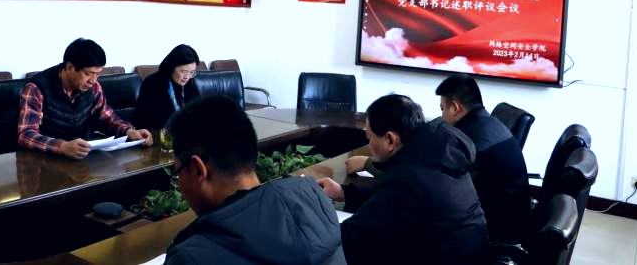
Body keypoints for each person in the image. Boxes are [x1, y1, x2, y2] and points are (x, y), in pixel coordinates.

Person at [164, 96, 346, 265]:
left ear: (198, 169)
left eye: (178, 172)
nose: (179, 182)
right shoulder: (315, 203)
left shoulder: (191, 258)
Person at [317, 94, 487, 265]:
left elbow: (353, 237)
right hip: (468, 255)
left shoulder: (409, 177)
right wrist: (344, 193)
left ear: (390, 139)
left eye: (370, 137)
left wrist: (310, 217)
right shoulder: (438, 154)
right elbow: (389, 199)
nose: (369, 145)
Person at [17, 38, 152, 159]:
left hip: (82, 154)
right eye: (89, 74)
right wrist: (62, 147)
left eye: (98, 74)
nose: (93, 80)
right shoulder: (36, 88)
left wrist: (129, 132)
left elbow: (107, 118)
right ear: (70, 67)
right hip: (46, 159)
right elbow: (26, 134)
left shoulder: (93, 87)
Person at [436, 74, 530, 243]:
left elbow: (443, 190)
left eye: (443, 109)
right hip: (514, 218)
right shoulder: (491, 124)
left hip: (495, 231)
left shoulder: (467, 143)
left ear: (455, 107)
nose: (442, 116)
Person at [131, 44, 199, 130]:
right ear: (172, 67)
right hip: (155, 133)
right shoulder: (152, 83)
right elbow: (148, 120)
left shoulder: (190, 83)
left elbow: (198, 110)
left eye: (191, 72)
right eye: (183, 71)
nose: (187, 77)